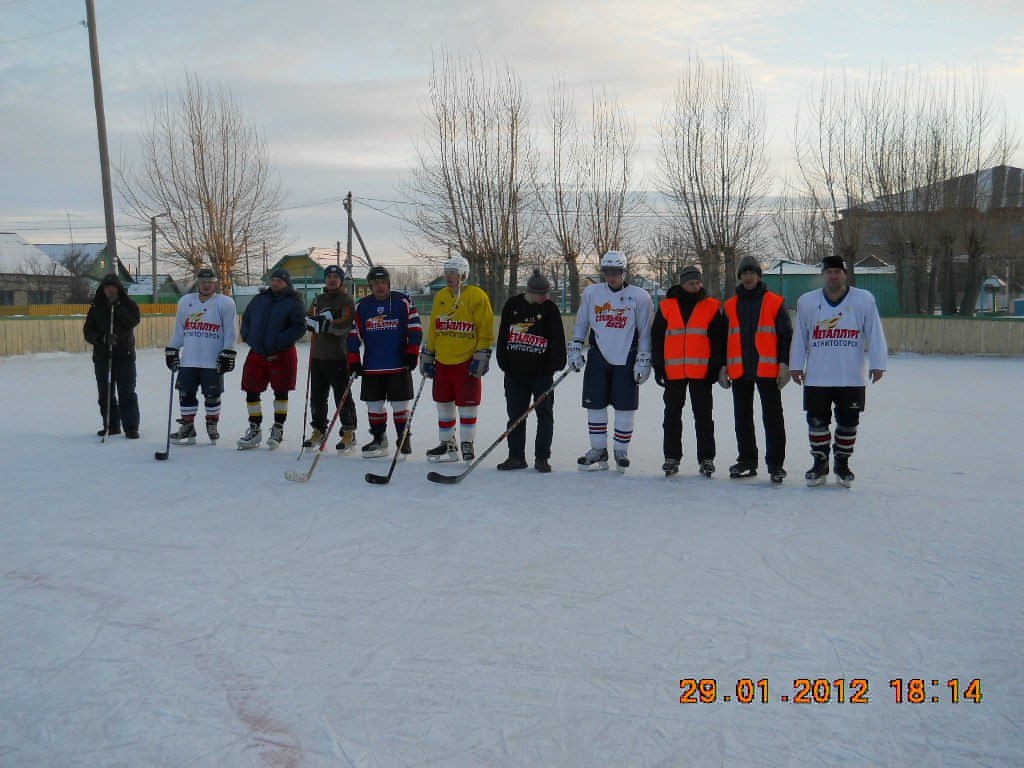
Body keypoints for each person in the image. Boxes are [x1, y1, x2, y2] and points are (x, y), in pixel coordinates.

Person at [789, 255, 888, 487]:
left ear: (845, 274)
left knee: (848, 423)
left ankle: (842, 464)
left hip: (850, 376)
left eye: (838, 272)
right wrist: (795, 365)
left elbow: (874, 331)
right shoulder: (808, 301)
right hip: (817, 376)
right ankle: (819, 463)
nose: (833, 276)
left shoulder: (863, 299)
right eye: (829, 272)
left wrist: (878, 363)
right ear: (823, 275)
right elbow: (801, 335)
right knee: (816, 422)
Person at [568, 250, 654, 473]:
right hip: (598, 357)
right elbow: (581, 323)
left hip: (627, 358)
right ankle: (598, 450)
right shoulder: (592, 293)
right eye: (607, 272)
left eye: (616, 272)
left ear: (624, 272)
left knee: (625, 407)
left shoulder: (640, 296)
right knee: (594, 405)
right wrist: (575, 347)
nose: (611, 276)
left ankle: (620, 450)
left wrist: (644, 360)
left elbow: (645, 332)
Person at [721, 255, 793, 483]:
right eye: (744, 273)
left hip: (767, 370)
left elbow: (785, 335)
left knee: (773, 418)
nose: (748, 277)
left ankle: (776, 466)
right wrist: (722, 366)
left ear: (759, 276)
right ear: (739, 277)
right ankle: (746, 461)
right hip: (739, 370)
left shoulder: (774, 301)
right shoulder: (730, 305)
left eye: (752, 273)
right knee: (742, 418)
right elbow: (722, 339)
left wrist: (784, 364)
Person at [651, 264, 726, 477]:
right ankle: (671, 457)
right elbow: (656, 337)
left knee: (703, 416)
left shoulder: (711, 306)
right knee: (672, 416)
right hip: (673, 372)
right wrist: (658, 365)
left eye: (698, 282)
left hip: (701, 372)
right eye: (691, 282)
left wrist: (714, 366)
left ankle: (706, 458)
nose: (696, 286)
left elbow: (718, 339)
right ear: (683, 284)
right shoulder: (666, 306)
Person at [420, 255, 494, 463]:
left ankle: (467, 443)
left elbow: (485, 328)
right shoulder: (441, 296)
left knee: (467, 405)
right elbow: (435, 328)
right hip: (443, 361)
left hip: (466, 361)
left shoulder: (477, 296)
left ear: (464, 275)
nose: (449, 276)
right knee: (443, 404)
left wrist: (483, 352)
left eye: (453, 272)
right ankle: (448, 445)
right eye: (447, 272)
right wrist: (429, 353)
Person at [495, 269, 567, 473]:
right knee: (515, 415)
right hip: (515, 374)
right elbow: (502, 338)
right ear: (531, 291)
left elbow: (558, 342)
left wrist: (552, 367)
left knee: (544, 415)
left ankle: (542, 458)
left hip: (541, 375)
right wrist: (505, 364)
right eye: (541, 294)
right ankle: (516, 456)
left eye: (547, 294)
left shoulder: (550, 309)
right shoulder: (513, 305)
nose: (545, 298)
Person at [347, 266, 422, 458]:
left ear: (388, 284)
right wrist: (354, 359)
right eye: (375, 284)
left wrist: (412, 352)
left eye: (383, 283)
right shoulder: (362, 306)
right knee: (374, 405)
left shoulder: (402, 301)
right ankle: (379, 439)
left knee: (399, 405)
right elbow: (353, 334)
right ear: (370, 286)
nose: (379, 287)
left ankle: (403, 438)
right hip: (372, 366)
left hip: (398, 364)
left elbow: (415, 328)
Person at [164, 268, 237, 445]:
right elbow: (180, 329)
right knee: (185, 393)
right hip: (189, 359)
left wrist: (228, 351)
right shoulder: (186, 301)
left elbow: (230, 331)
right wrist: (172, 348)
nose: (206, 285)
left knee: (212, 395)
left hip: (212, 360)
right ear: (197, 283)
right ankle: (188, 427)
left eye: (210, 282)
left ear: (215, 283)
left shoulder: (225, 303)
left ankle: (212, 425)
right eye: (203, 282)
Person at [236, 268, 307, 450]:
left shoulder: (293, 302)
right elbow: (247, 318)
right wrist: (247, 336)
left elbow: (299, 327)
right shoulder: (260, 299)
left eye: (279, 281)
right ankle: (254, 429)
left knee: (281, 392)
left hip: (281, 355)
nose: (275, 283)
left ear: (286, 283)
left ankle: (278, 427)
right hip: (257, 353)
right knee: (251, 391)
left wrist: (278, 340)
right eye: (273, 280)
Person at [302, 264, 358, 451]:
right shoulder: (319, 299)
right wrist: (310, 323)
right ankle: (319, 429)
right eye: (329, 277)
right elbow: (309, 315)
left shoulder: (345, 300)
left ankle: (349, 431)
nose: (332, 279)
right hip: (318, 355)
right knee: (317, 396)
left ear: (341, 280)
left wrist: (328, 325)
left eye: (335, 276)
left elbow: (346, 323)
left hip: (337, 356)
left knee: (341, 395)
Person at [83, 273, 141, 438]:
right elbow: (88, 332)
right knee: (105, 394)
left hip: (125, 356)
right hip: (103, 357)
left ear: (118, 288)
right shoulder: (96, 307)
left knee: (127, 393)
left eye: (113, 287)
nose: (110, 290)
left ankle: (131, 427)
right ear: (103, 289)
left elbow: (132, 321)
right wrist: (102, 338)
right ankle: (111, 425)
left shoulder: (128, 304)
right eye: (107, 287)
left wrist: (119, 306)